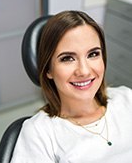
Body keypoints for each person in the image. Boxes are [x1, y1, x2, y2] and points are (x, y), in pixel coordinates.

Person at [10, 10, 132, 163]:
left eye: (93, 54)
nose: (84, 71)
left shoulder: (127, 99)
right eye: (67, 58)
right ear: (48, 69)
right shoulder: (38, 134)